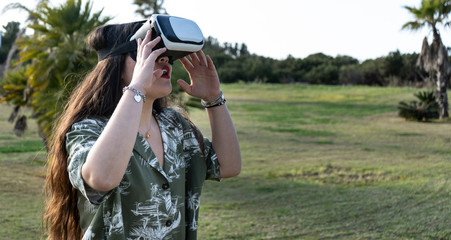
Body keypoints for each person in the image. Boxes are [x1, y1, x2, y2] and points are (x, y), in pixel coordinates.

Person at [43, 20, 241, 240]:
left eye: (167, 58)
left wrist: (213, 98)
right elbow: (101, 179)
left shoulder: (174, 125)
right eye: (151, 55)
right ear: (115, 67)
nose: (164, 63)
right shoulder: (89, 128)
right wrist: (137, 88)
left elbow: (228, 165)